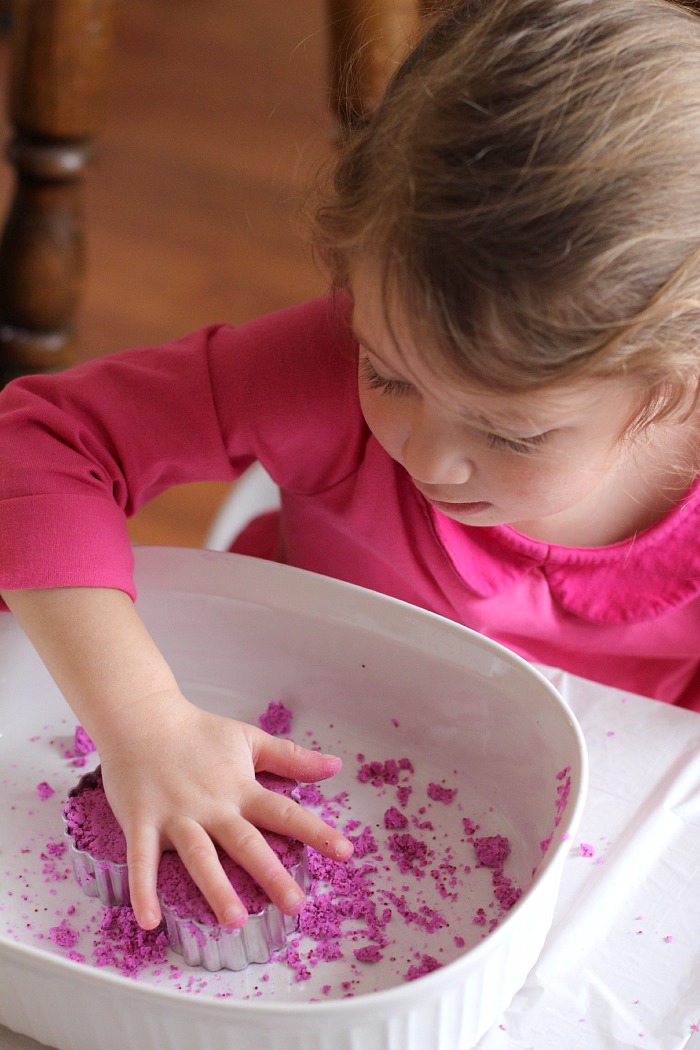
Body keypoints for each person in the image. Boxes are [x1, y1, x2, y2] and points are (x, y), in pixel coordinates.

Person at [2, 0, 700, 934]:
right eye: (389, 372)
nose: (426, 453)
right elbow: (39, 444)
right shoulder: (321, 372)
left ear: (676, 385)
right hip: (292, 731)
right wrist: (143, 720)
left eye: (512, 433)